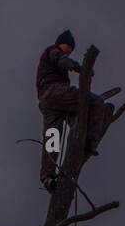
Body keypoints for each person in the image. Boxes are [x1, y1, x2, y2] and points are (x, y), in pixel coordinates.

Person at [36, 29, 113, 191]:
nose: (70, 50)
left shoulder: (55, 57)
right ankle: (90, 141)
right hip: (54, 93)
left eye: (72, 48)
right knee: (96, 102)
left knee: (53, 139)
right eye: (68, 46)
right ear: (59, 43)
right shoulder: (53, 51)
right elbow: (62, 60)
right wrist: (79, 68)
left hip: (48, 102)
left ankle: (47, 178)